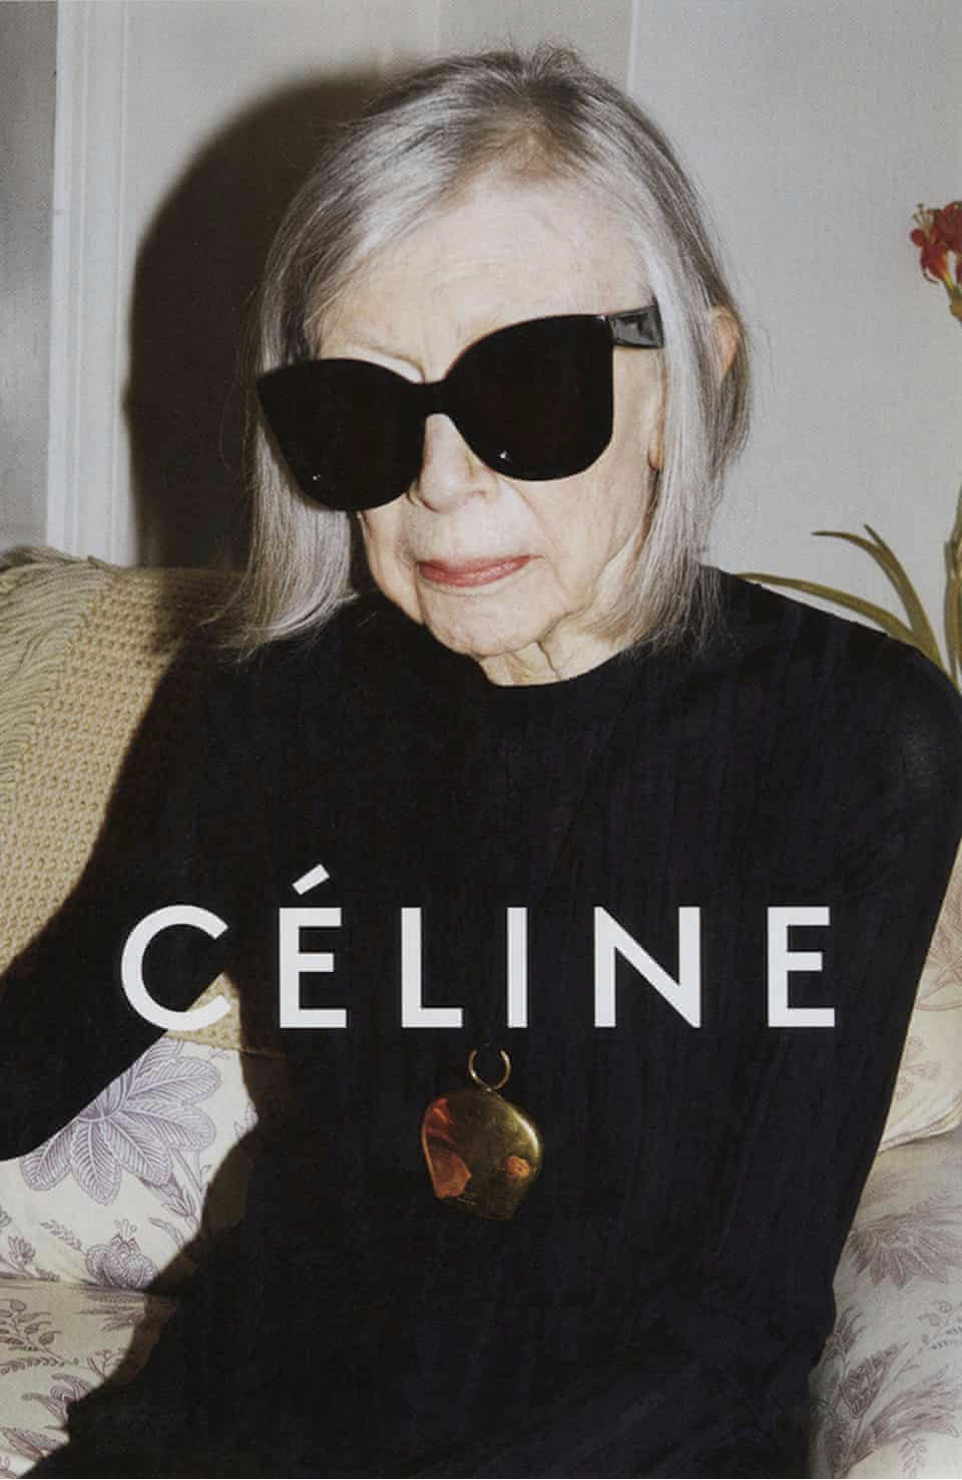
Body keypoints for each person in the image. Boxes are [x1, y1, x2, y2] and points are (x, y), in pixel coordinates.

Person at [4, 43, 962, 1480]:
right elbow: (42, 1052)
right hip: (253, 1427)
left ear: (685, 382)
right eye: (361, 411)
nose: (440, 484)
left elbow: (739, 1328)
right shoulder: (272, 708)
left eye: (529, 390)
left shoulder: (854, 740)